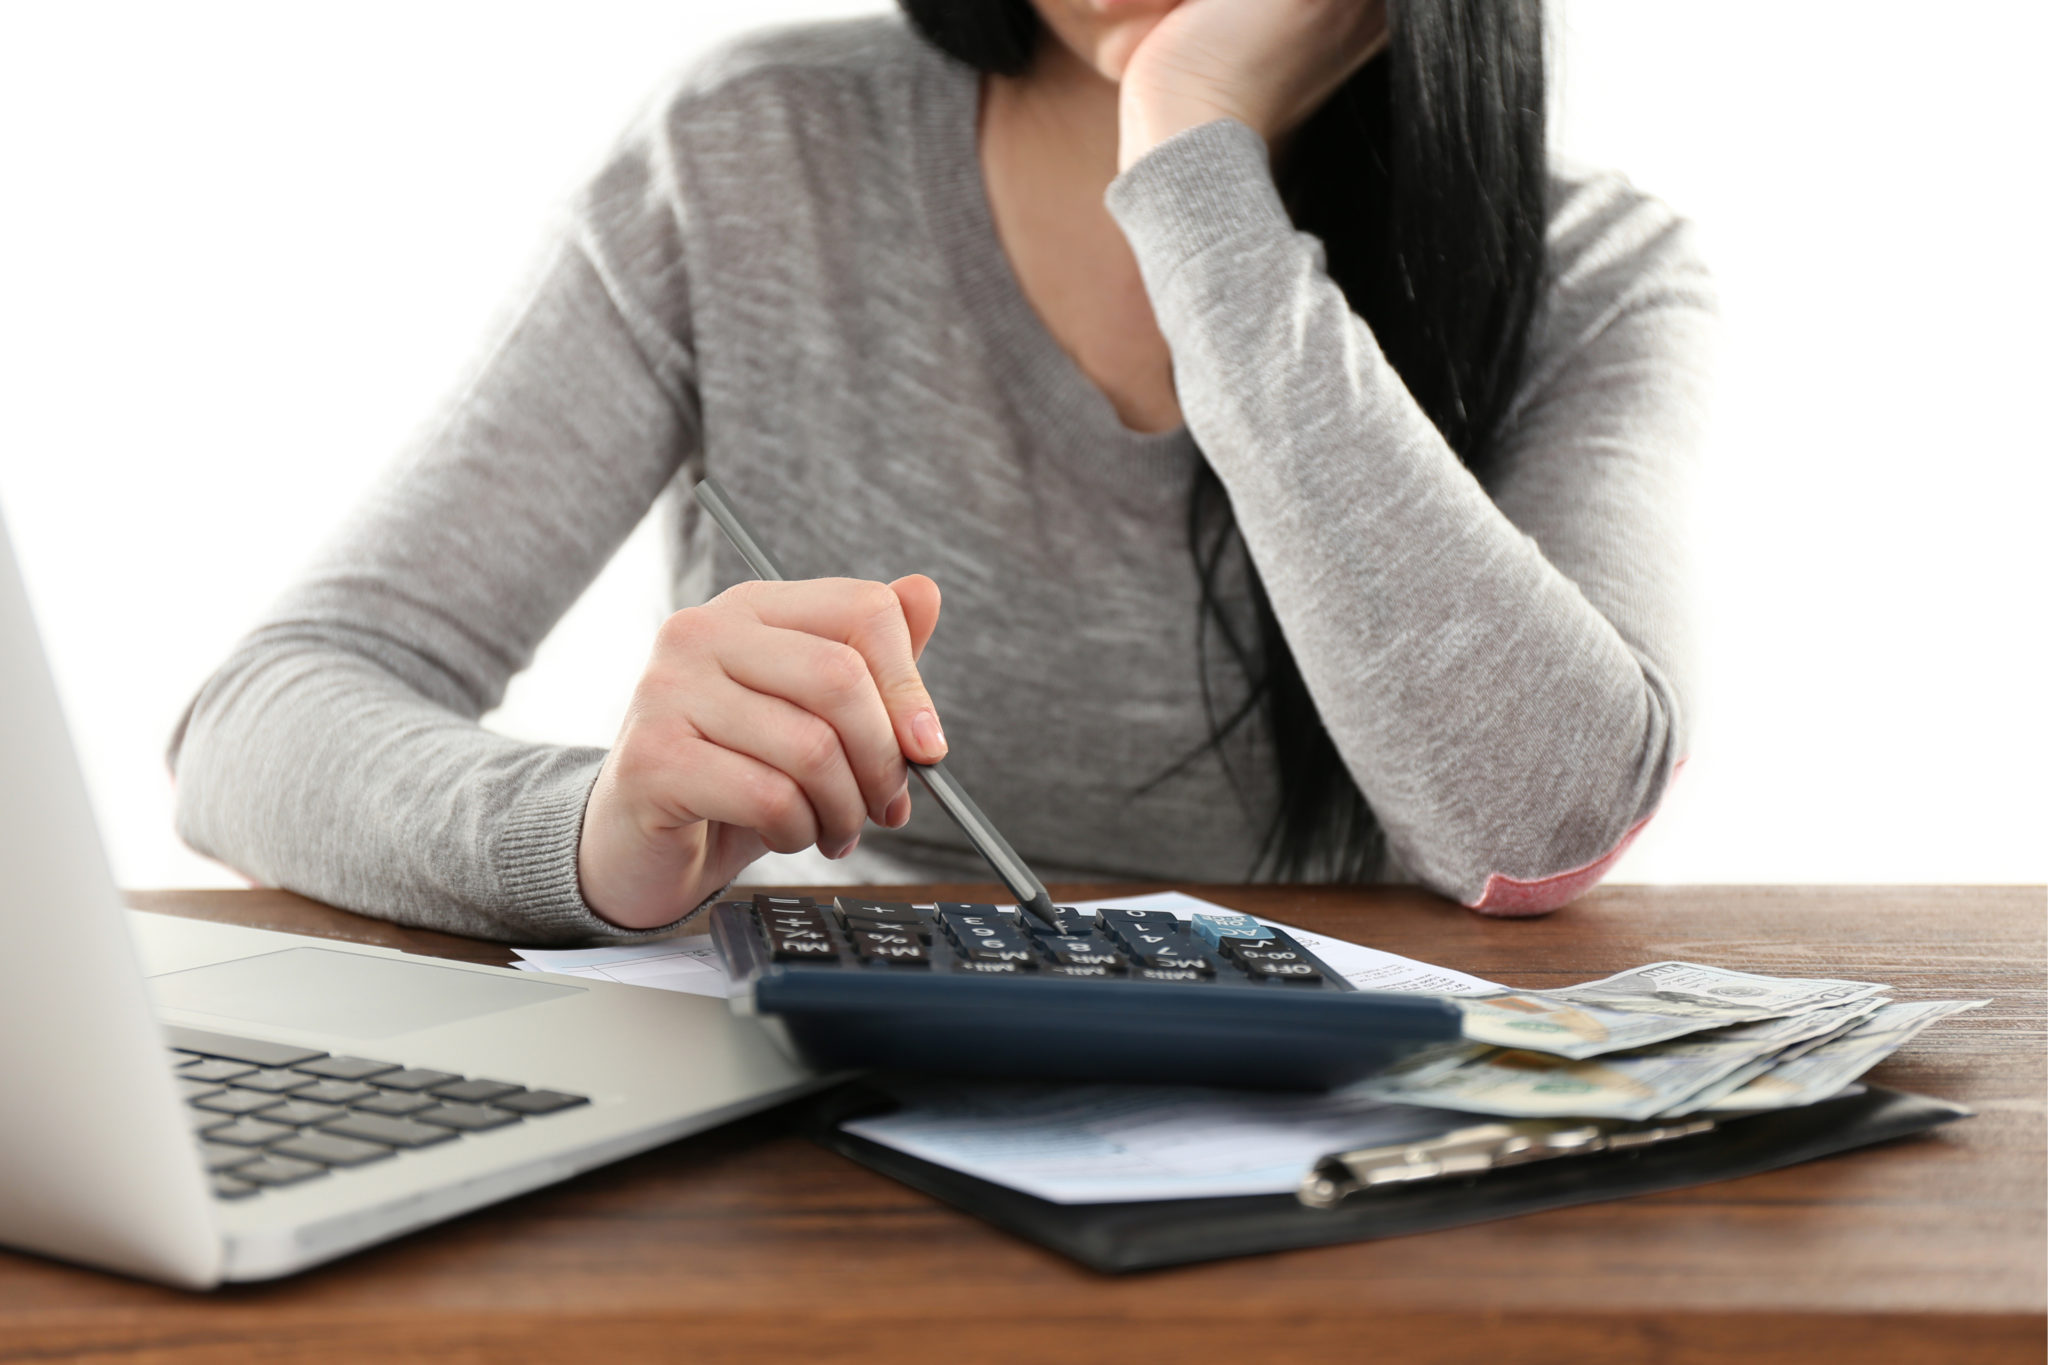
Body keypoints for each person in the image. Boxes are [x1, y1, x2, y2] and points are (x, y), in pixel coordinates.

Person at [169, 0, 1714, 943]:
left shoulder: (1597, 277)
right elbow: (263, 717)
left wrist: (1189, 154)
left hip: (1367, 1182)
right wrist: (597, 837)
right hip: (834, 1139)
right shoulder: (755, 152)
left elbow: (1539, 819)